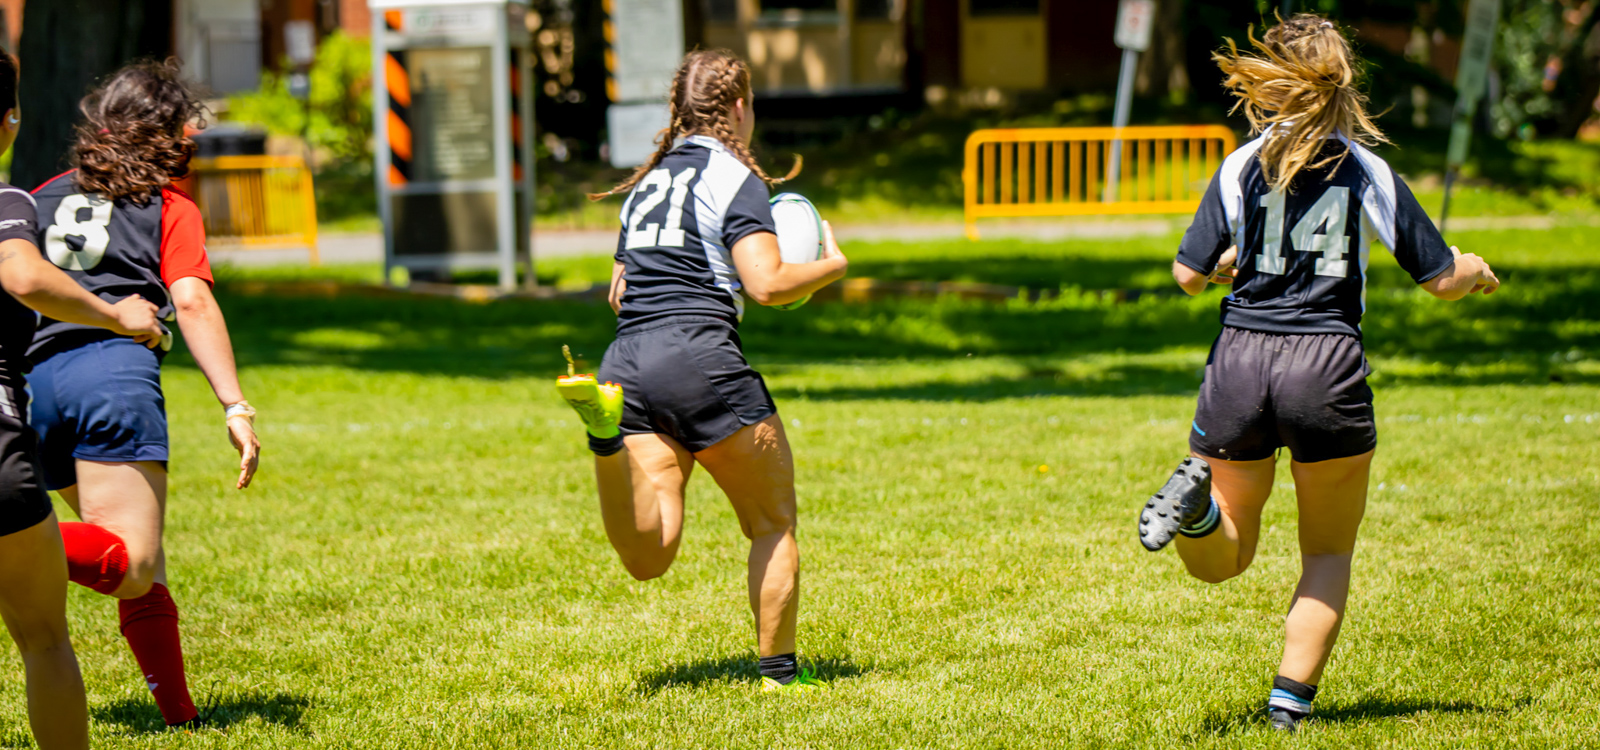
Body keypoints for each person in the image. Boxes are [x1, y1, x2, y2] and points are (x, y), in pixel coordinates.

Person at [1135, 15, 1500, 733]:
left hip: (1240, 356)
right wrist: (1476, 271)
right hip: (1325, 366)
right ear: (1344, 82)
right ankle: (1285, 711)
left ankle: (1199, 511)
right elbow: (1438, 277)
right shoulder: (1365, 168)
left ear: (1270, 83)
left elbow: (1185, 274)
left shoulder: (1241, 165)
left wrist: (1229, 270)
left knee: (1224, 556)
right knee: (1328, 550)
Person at [558, 49, 847, 691]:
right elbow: (767, 284)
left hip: (626, 359)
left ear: (677, 110)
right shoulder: (735, 177)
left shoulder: (649, 180)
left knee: (650, 554)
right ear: (739, 108)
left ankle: (604, 439)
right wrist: (832, 266)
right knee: (772, 521)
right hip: (698, 356)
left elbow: (619, 288)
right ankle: (779, 677)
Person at [28, 60, 262, 729]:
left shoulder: (37, 196)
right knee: (131, 563)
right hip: (110, 377)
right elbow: (189, 301)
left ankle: (181, 717)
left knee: (123, 550)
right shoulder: (167, 206)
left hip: (32, 387)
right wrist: (234, 405)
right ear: (165, 135)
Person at [0, 51, 167, 749]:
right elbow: (21, 274)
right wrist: (116, 314)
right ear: (8, 125)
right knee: (42, 639)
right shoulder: (9, 202)